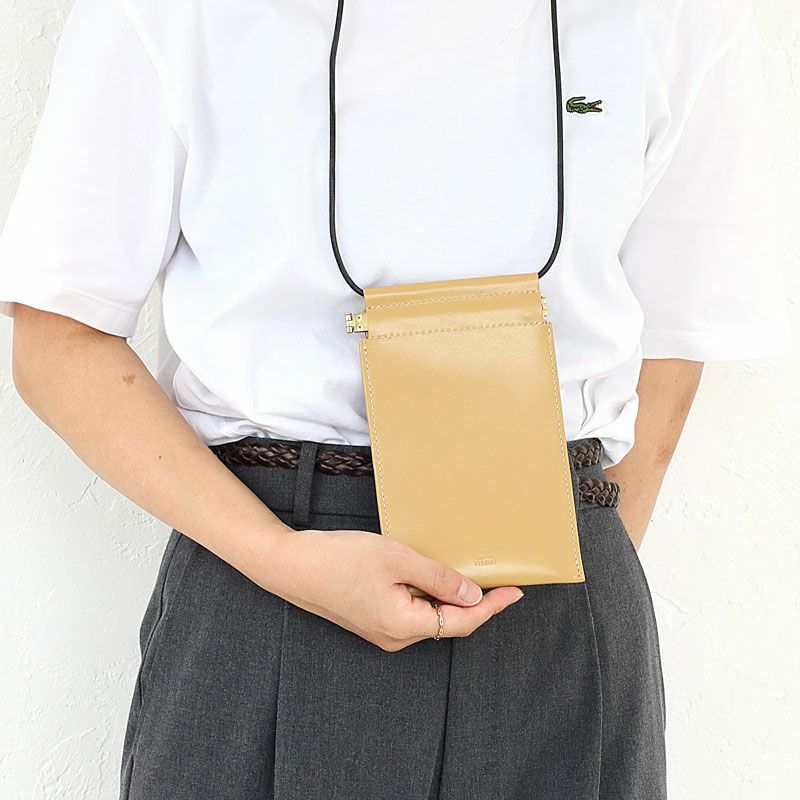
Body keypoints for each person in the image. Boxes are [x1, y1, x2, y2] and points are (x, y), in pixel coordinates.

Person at [0, 0, 791, 798]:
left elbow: (675, 334)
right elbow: (58, 337)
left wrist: (571, 554)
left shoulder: (680, 16)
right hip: (266, 559)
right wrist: (279, 557)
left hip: (556, 583)